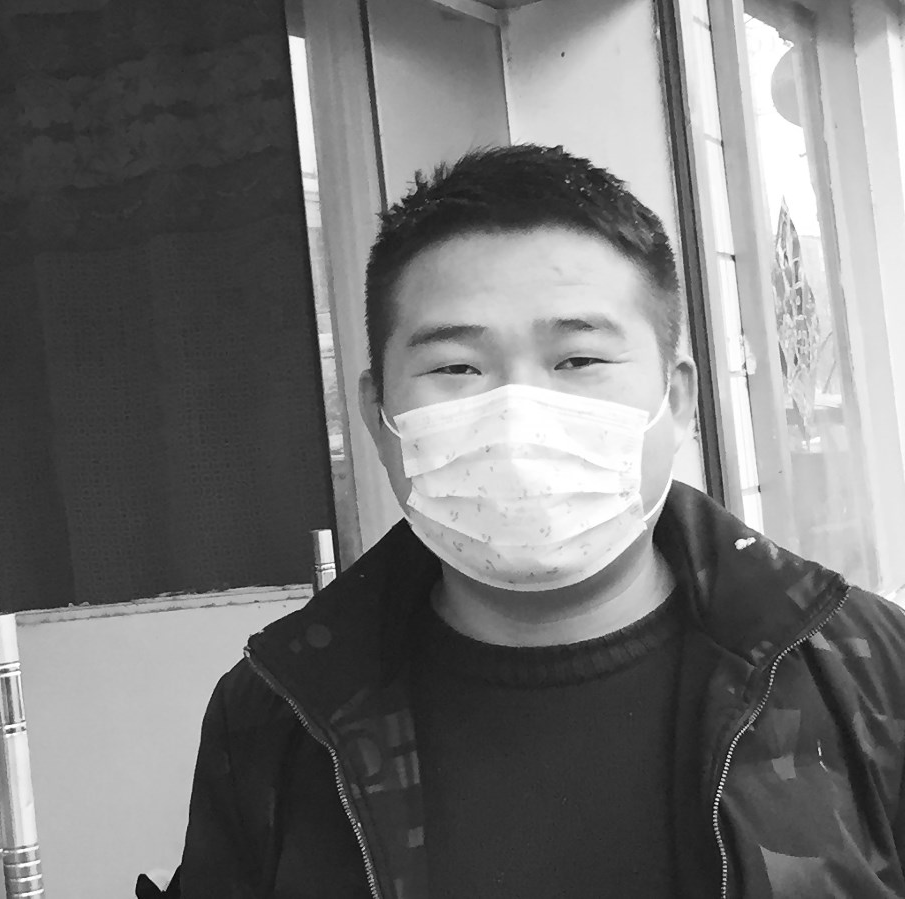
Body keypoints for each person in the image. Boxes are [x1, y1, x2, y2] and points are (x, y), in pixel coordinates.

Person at [173, 145, 905, 898]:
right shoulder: (279, 716)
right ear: (377, 414)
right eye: (455, 367)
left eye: (579, 360)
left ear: (678, 400)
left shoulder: (868, 672)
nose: (517, 414)